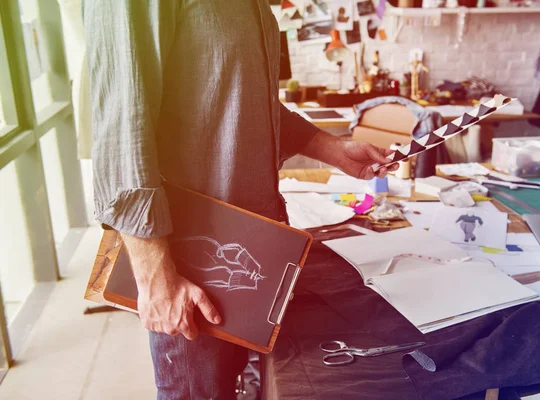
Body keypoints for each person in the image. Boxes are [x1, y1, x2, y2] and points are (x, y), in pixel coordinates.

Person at [83, 1, 398, 399]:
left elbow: (243, 101)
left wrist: (332, 149)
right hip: (188, 263)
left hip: (247, 251)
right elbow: (122, 128)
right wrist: (155, 279)